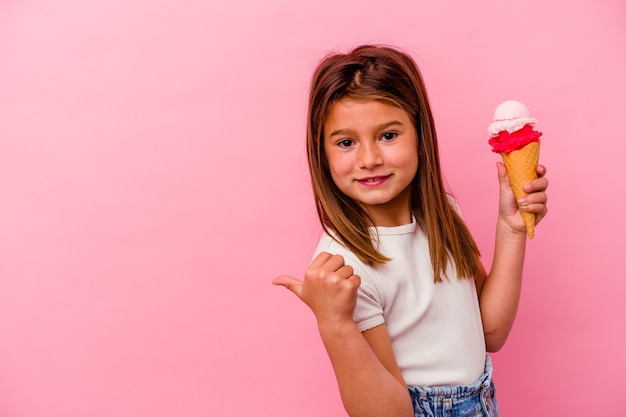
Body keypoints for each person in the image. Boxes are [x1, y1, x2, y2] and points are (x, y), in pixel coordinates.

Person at [273, 44, 549, 417]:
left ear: (420, 135)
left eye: (388, 135)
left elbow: (491, 332)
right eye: (346, 142)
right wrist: (335, 323)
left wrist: (511, 229)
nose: (369, 159)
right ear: (322, 153)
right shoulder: (345, 267)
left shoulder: (442, 214)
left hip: (482, 400)